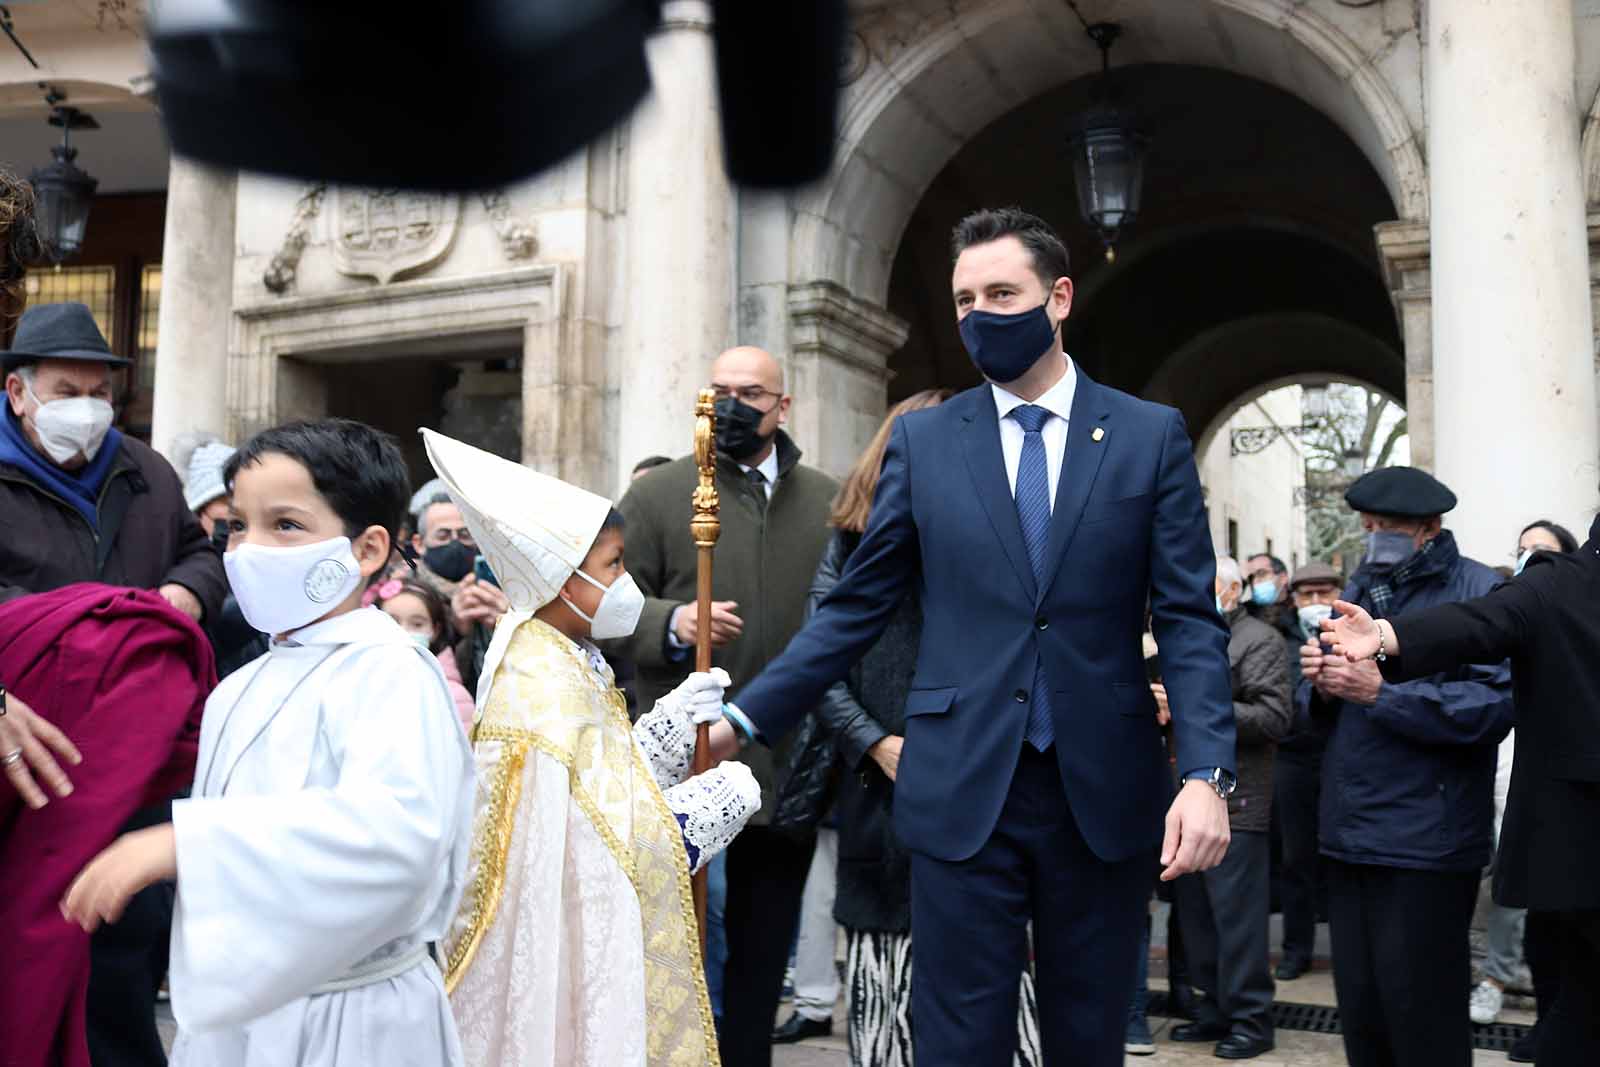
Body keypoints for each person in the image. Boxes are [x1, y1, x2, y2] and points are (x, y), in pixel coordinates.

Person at [714, 207, 1237, 1067]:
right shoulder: (925, 440)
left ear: (1058, 297)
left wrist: (1206, 773)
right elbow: (854, 605)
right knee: (958, 1043)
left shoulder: (1148, 436)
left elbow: (1186, 617)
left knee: (1087, 1038)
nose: (980, 315)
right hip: (960, 784)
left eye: (1003, 292)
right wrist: (748, 715)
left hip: (1101, 789)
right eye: (964, 300)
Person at [60, 418, 476, 1066]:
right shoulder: (239, 685)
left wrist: (186, 841)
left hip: (351, 1019)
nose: (248, 549)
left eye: (284, 525)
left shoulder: (390, 668)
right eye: (236, 526)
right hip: (240, 1014)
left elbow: (399, 835)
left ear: (366, 549)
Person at [420, 429, 761, 1066]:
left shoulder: (565, 653)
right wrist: (687, 823)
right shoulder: (536, 679)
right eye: (613, 566)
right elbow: (578, 845)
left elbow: (601, 776)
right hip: (560, 947)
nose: (627, 581)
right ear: (563, 578)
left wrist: (668, 722)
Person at [0, 301, 227, 1067]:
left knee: (123, 950)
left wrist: (187, 590)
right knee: (29, 951)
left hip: (133, 764)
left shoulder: (146, 471)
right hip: (23, 761)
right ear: (19, 393)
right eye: (69, 391)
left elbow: (203, 552)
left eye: (101, 394)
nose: (88, 411)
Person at [617, 344, 838, 1064]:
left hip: (788, 764)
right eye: (720, 389)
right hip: (690, 765)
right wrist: (669, 624)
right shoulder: (658, 496)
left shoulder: (828, 503)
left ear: (783, 404)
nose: (734, 404)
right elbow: (603, 606)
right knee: (676, 951)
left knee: (761, 958)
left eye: (751, 391)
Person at [1319, 506, 1600, 1067]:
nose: (1378, 536)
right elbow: (1478, 623)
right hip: (1580, 859)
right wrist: (1383, 635)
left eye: (1388, 524)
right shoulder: (1559, 582)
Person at [1296, 466, 1513, 1067]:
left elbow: (1491, 707)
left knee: (1424, 1019)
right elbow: (1308, 712)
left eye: (1385, 527)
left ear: (1427, 527)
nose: (1372, 537)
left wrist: (1380, 696)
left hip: (1428, 842)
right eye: (1366, 526)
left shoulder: (1479, 591)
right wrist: (1319, 685)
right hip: (1349, 834)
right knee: (1363, 1017)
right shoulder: (1361, 584)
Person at [0, 584, 213, 1067]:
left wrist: (189, 586)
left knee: (106, 957)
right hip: (39, 675)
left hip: (116, 692)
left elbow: (194, 551)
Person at [1164, 556, 1290, 1059]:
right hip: (1184, 799)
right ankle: (1212, 1008)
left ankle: (1252, 1020)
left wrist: (1192, 706)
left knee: (1237, 921)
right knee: (1197, 918)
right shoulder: (1192, 637)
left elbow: (1275, 716)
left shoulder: (1259, 640)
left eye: (1208, 584)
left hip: (1238, 801)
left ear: (1233, 591)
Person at [1466, 520, 1576, 1043]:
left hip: (1560, 801)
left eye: (1544, 551)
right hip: (1499, 779)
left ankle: (1545, 1012)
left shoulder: (1574, 625)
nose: (1531, 558)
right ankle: (1499, 979)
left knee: (1558, 924)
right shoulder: (1506, 615)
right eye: (1524, 549)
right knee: (1501, 896)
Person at [1272, 561, 1341, 980]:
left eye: (1325, 594)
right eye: (1306, 595)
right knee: (1295, 857)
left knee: (1342, 854)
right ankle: (1296, 949)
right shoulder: (1279, 639)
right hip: (1294, 756)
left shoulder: (1355, 629)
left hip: (1341, 753)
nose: (1316, 603)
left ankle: (1344, 946)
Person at [174, 431, 272, 678]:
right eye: (223, 499)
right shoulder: (185, 565)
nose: (233, 507)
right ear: (199, 511)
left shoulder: (266, 551)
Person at [370, 577, 475, 733]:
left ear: (435, 630)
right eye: (392, 621)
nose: (403, 631)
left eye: (417, 624)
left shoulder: (453, 696)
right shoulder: (358, 681)